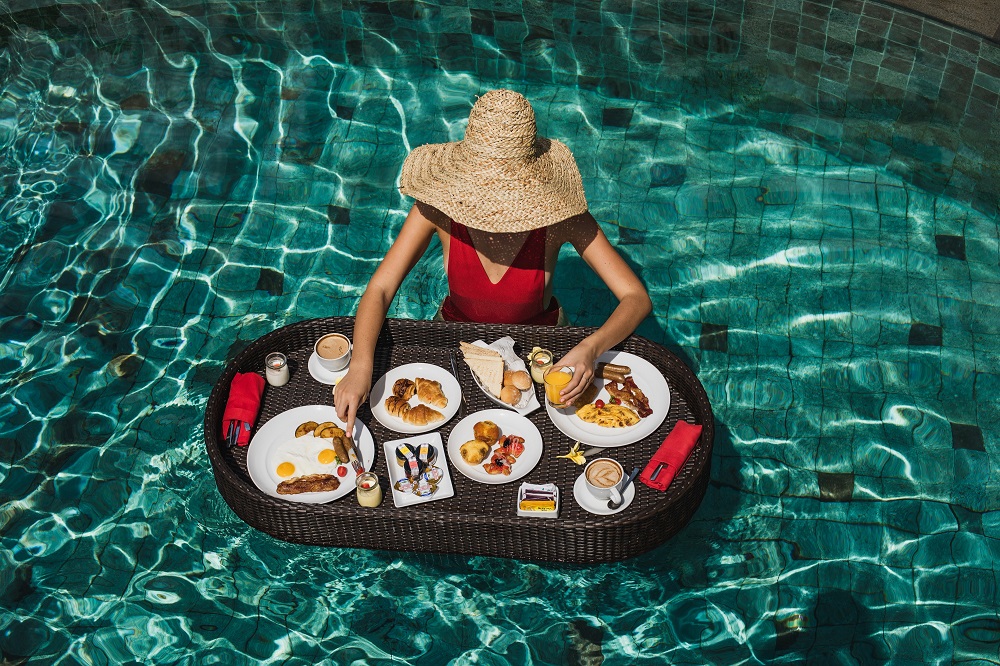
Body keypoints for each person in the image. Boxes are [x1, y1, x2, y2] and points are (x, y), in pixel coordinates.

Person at [334, 89, 651, 435]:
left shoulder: (561, 217)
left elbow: (636, 298)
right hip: (457, 343)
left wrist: (590, 348)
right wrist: (360, 365)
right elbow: (380, 288)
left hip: (539, 353)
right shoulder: (437, 208)